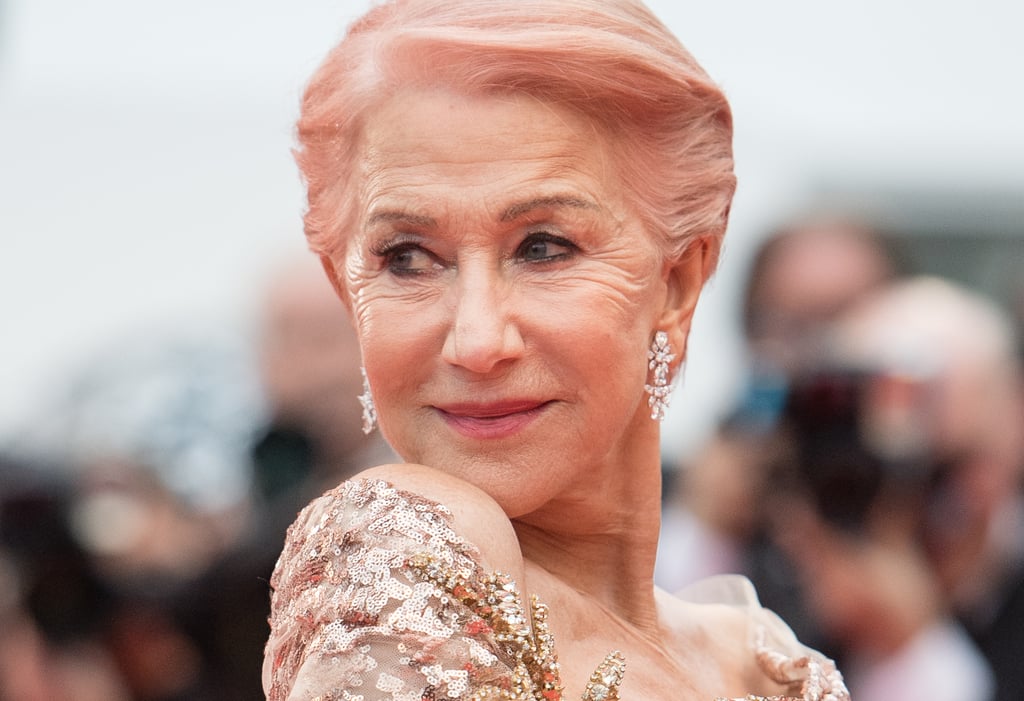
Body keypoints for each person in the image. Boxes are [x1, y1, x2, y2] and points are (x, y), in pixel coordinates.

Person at [262, 2, 850, 700]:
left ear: (677, 281)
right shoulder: (409, 548)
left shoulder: (765, 664)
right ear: (347, 290)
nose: (478, 341)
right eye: (408, 258)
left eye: (543, 248)